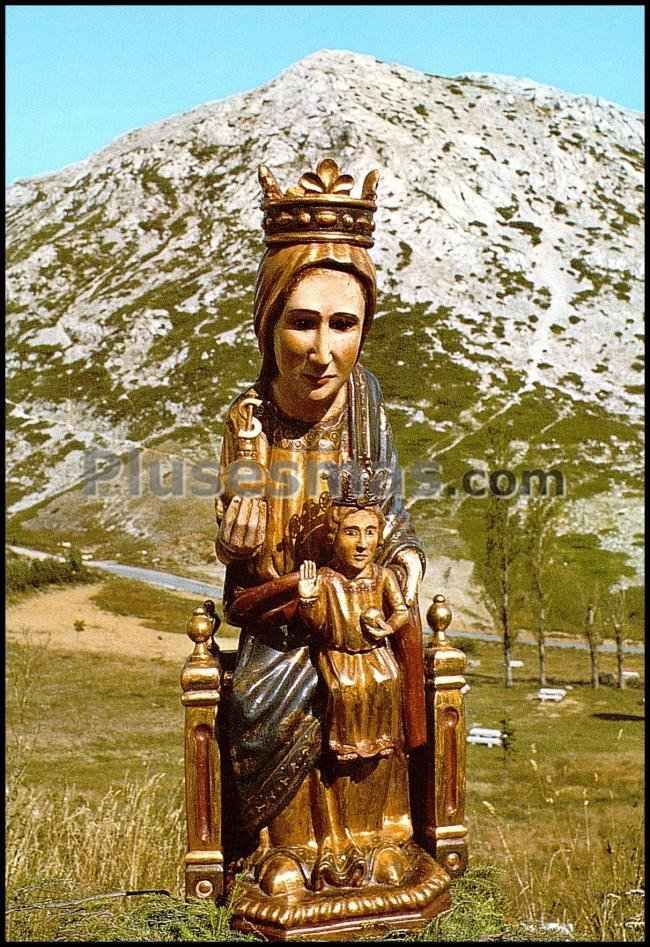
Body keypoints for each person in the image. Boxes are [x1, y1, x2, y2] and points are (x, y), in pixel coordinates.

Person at [215, 161, 444, 919]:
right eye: (302, 321)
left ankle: (381, 837)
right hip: (279, 619)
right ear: (269, 321)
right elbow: (245, 561)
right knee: (275, 693)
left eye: (343, 324)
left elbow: (394, 514)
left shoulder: (367, 401)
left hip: (356, 607)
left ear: (364, 329)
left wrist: (401, 566)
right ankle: (286, 848)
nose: (322, 350)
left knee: (371, 674)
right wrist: (246, 524)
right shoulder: (249, 420)